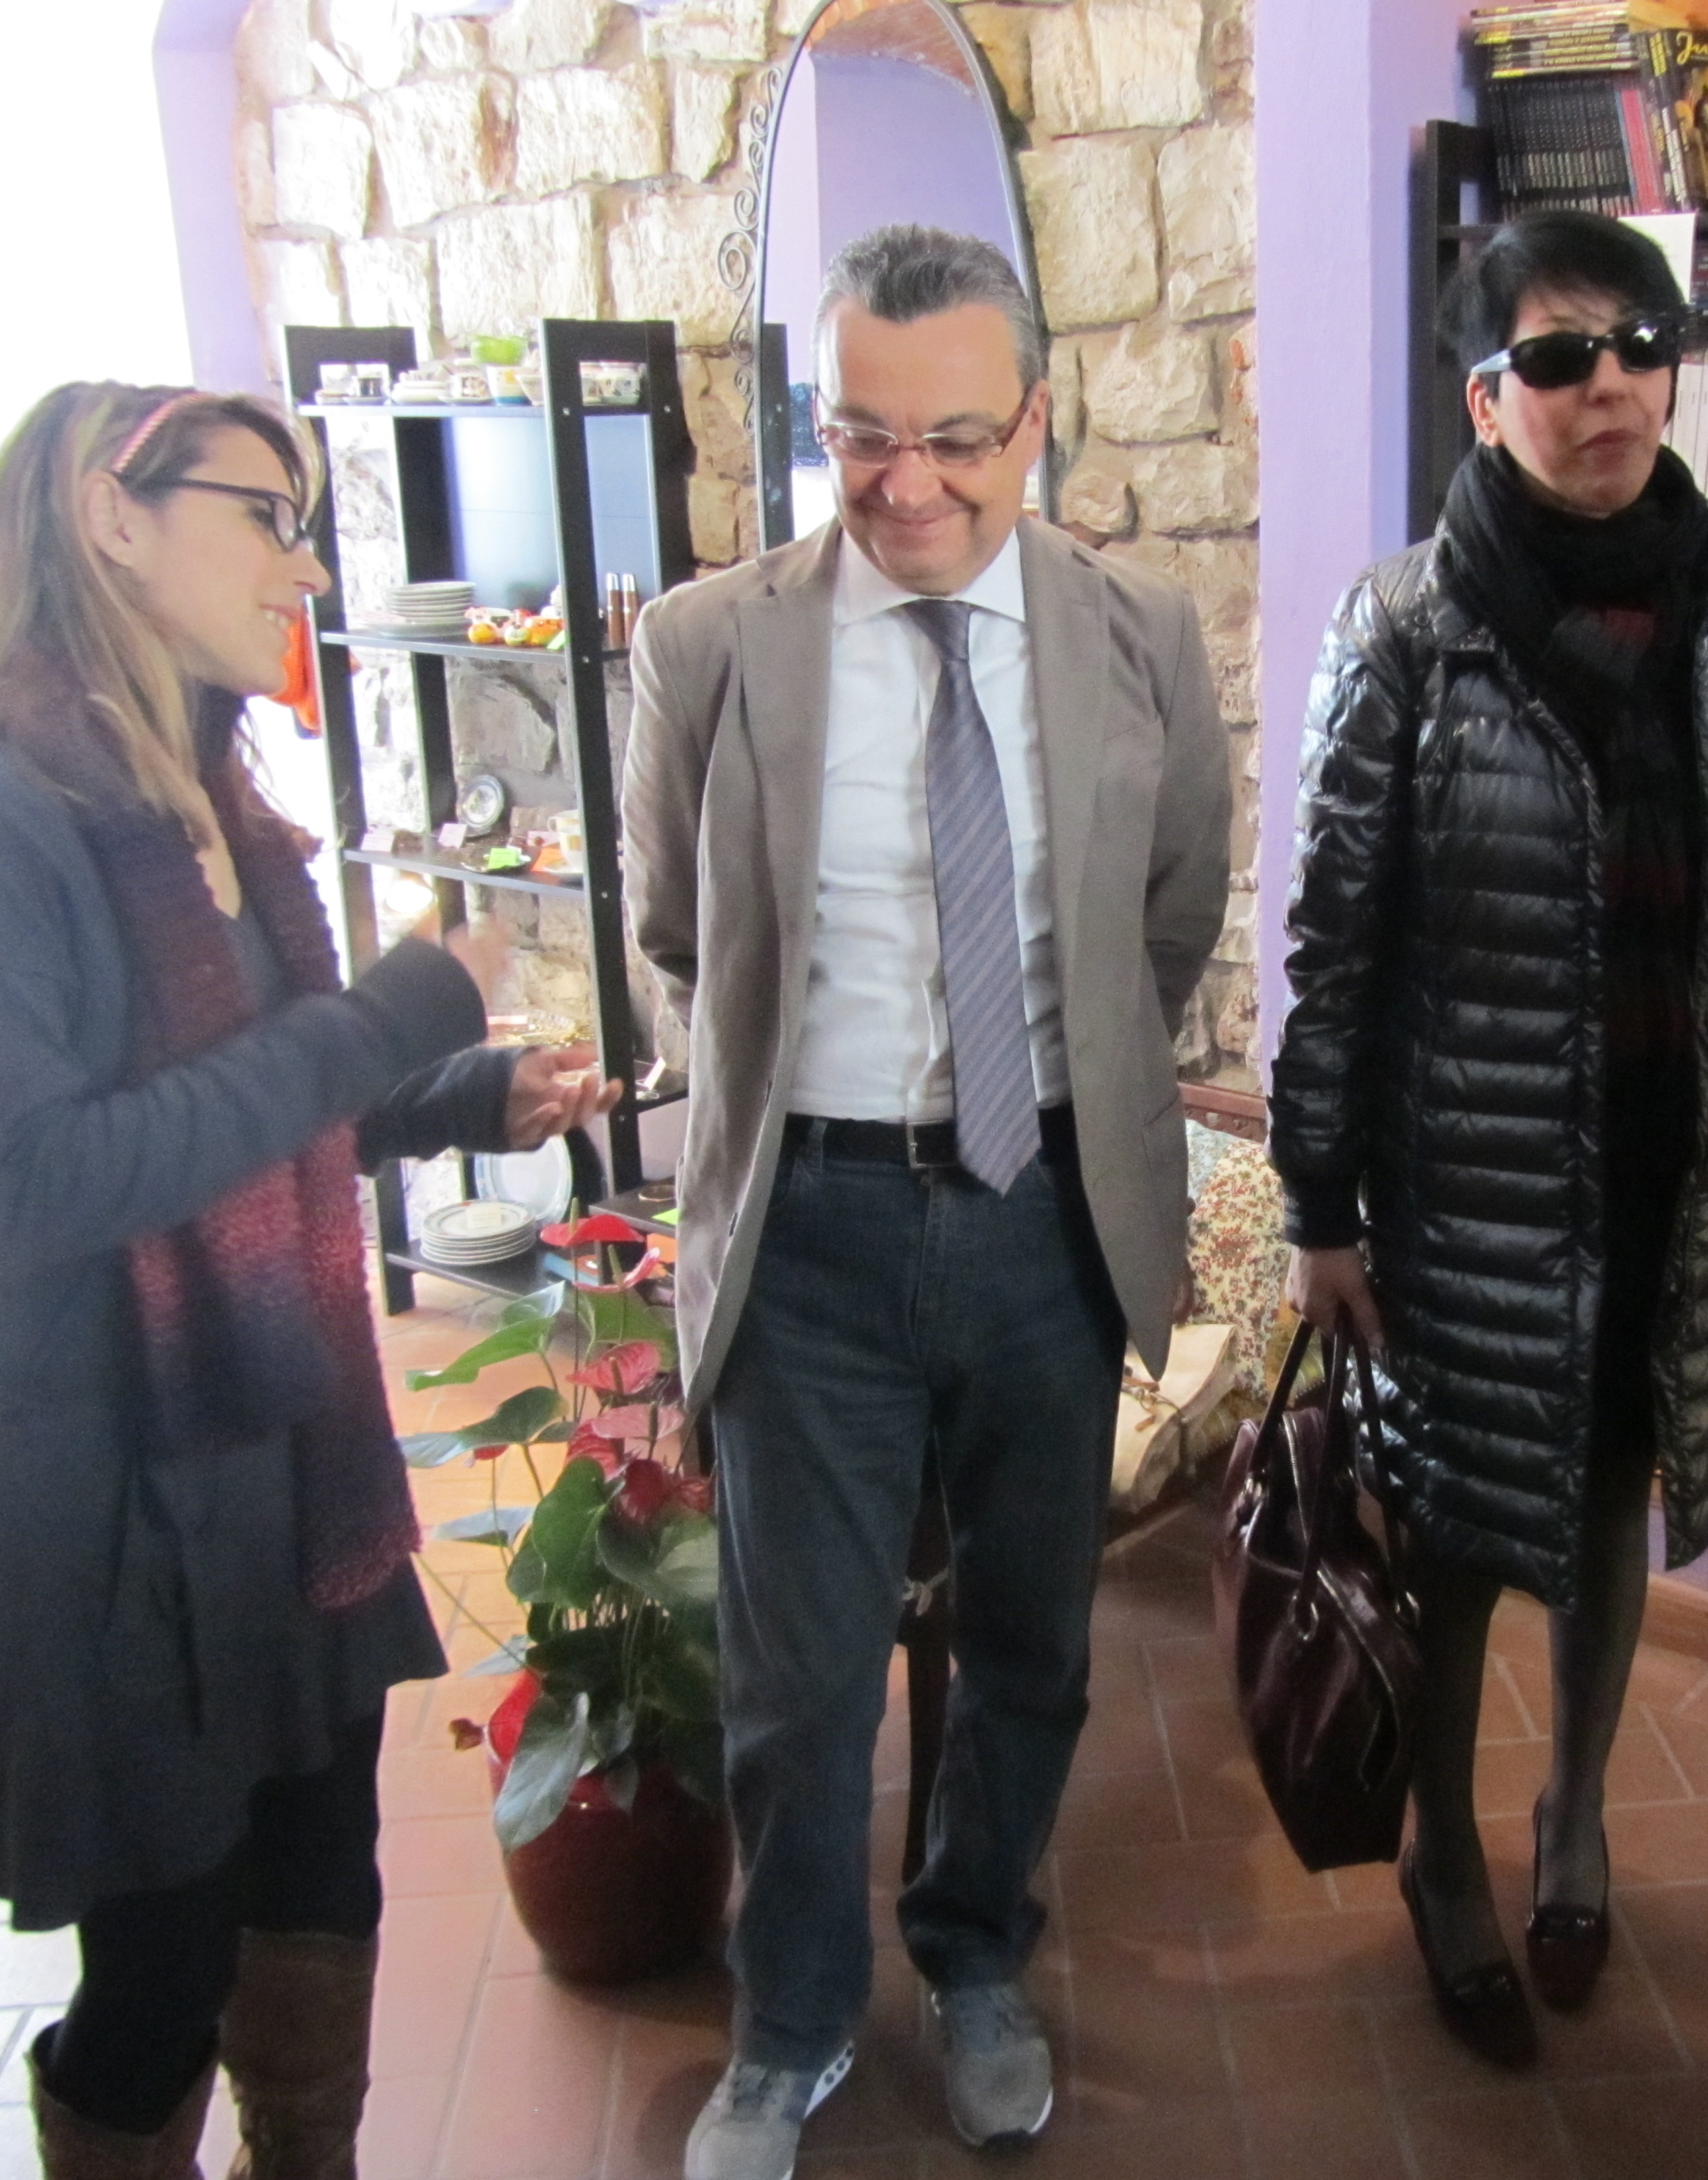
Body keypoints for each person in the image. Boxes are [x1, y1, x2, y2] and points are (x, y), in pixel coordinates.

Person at [0, 381, 616, 2179]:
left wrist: (458, 1092)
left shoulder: (212, 801)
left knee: (320, 1897)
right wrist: (387, 1016)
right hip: (105, 1506)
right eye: (265, 514)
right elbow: (38, 1188)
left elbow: (251, 1125)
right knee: (165, 1970)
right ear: (112, 518)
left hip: (278, 1456)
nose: (303, 563)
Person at [623, 224, 1230, 2180]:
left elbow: (1170, 919)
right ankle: (791, 2024)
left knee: (1033, 1645)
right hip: (809, 1232)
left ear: (1037, 421)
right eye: (860, 435)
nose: (908, 485)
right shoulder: (710, 646)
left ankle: (977, 1957)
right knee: (797, 1682)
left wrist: (1056, 1105)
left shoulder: (1137, 634)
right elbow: (673, 933)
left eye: (958, 438)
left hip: (1044, 1218)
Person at [1274, 209, 1708, 2068]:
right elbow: (1333, 946)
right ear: (1485, 396)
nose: (1609, 388)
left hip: (1669, 1176)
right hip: (1470, 1194)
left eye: (1640, 348)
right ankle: (1443, 1855)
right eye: (1559, 358)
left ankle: (1572, 1815)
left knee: (1603, 1514)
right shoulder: (1407, 630)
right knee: (1451, 1537)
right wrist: (1320, 1199)